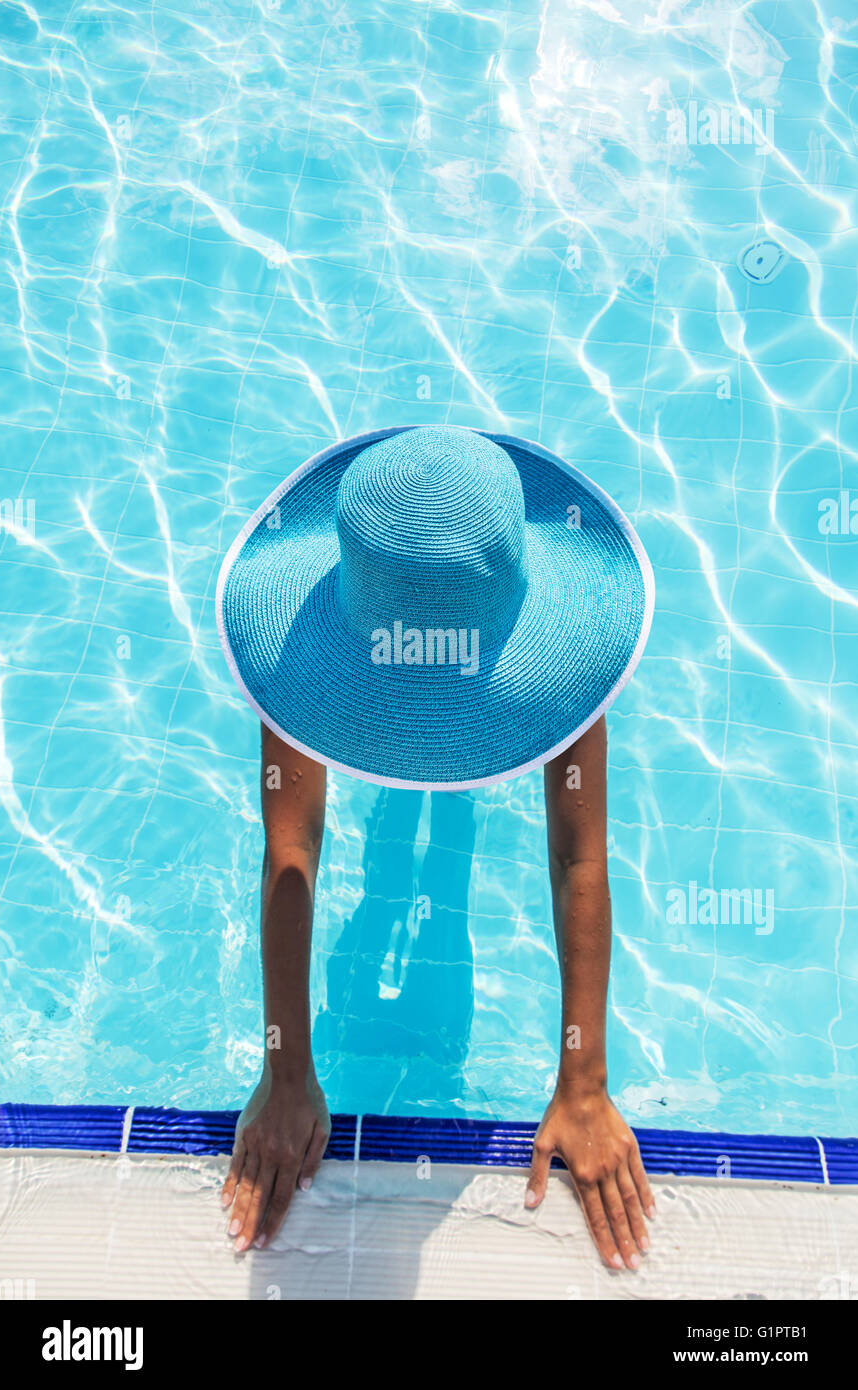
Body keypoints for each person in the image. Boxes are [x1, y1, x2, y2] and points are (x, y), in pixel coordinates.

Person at [216, 424, 656, 1270]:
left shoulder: (553, 670)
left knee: (439, 865)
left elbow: (577, 858)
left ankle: (438, 781)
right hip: (426, 643)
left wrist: (585, 1081)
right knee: (410, 888)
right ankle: (439, 773)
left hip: (421, 644)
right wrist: (284, 1069)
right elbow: (292, 855)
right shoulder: (311, 652)